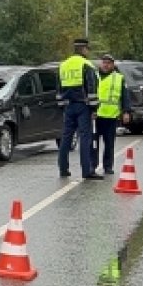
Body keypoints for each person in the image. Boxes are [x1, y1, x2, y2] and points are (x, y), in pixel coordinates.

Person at [57, 38, 101, 180]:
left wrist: (62, 106)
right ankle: (87, 171)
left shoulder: (63, 65)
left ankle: (63, 169)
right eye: (88, 49)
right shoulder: (86, 64)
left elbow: (59, 89)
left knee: (66, 138)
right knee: (85, 137)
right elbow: (91, 87)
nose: (88, 52)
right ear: (83, 49)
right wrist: (94, 108)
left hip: (68, 106)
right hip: (83, 106)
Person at [94, 54, 131, 176]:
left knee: (109, 143)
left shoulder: (119, 78)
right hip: (95, 116)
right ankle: (92, 166)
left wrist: (126, 112)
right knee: (93, 143)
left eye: (108, 63)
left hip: (111, 116)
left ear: (113, 65)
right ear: (101, 64)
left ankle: (108, 166)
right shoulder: (94, 76)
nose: (106, 65)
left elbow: (125, 96)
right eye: (104, 62)